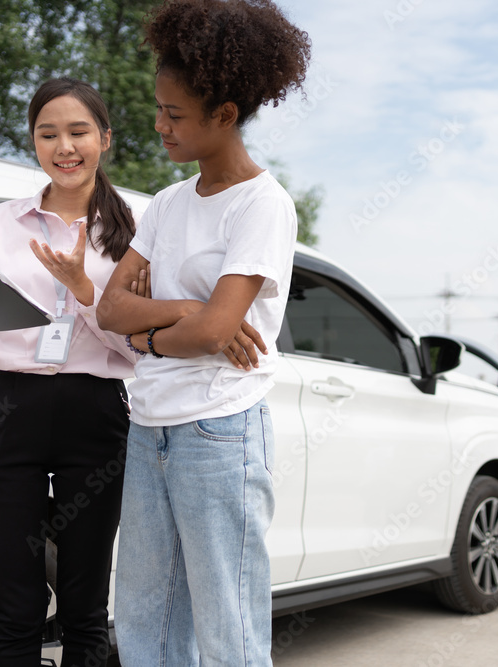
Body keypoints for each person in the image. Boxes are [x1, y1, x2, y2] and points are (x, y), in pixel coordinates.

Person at [95, 1, 310, 663]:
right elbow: (109, 310)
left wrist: (155, 331)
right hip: (151, 420)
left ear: (224, 116)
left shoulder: (263, 205)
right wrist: (189, 315)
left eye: (175, 114)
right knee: (143, 615)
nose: (160, 125)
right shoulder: (166, 204)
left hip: (221, 428)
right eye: (159, 109)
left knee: (227, 626)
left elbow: (222, 328)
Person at [0, 77, 137, 665]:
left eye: (78, 132)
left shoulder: (132, 237)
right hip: (7, 411)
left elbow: (142, 350)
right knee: (15, 605)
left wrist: (85, 291)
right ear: (34, 143)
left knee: (84, 609)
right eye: (48, 134)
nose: (64, 146)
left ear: (105, 139)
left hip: (95, 416)